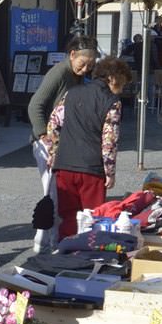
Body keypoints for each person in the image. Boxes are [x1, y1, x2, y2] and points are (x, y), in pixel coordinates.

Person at [46, 55, 132, 238]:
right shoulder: (112, 102)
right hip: (92, 168)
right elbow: (109, 141)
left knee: (68, 216)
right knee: (93, 216)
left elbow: (53, 124)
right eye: (122, 83)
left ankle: (64, 251)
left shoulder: (72, 93)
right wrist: (109, 171)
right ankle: (87, 254)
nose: (122, 88)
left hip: (65, 164)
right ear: (113, 77)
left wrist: (53, 153)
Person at [26, 44, 97, 249]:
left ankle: (49, 240)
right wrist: (43, 135)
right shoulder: (59, 73)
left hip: (63, 142)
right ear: (72, 54)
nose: (85, 70)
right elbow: (35, 105)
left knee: (56, 193)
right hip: (48, 141)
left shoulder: (76, 75)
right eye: (83, 64)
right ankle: (46, 241)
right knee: (54, 194)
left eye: (90, 66)